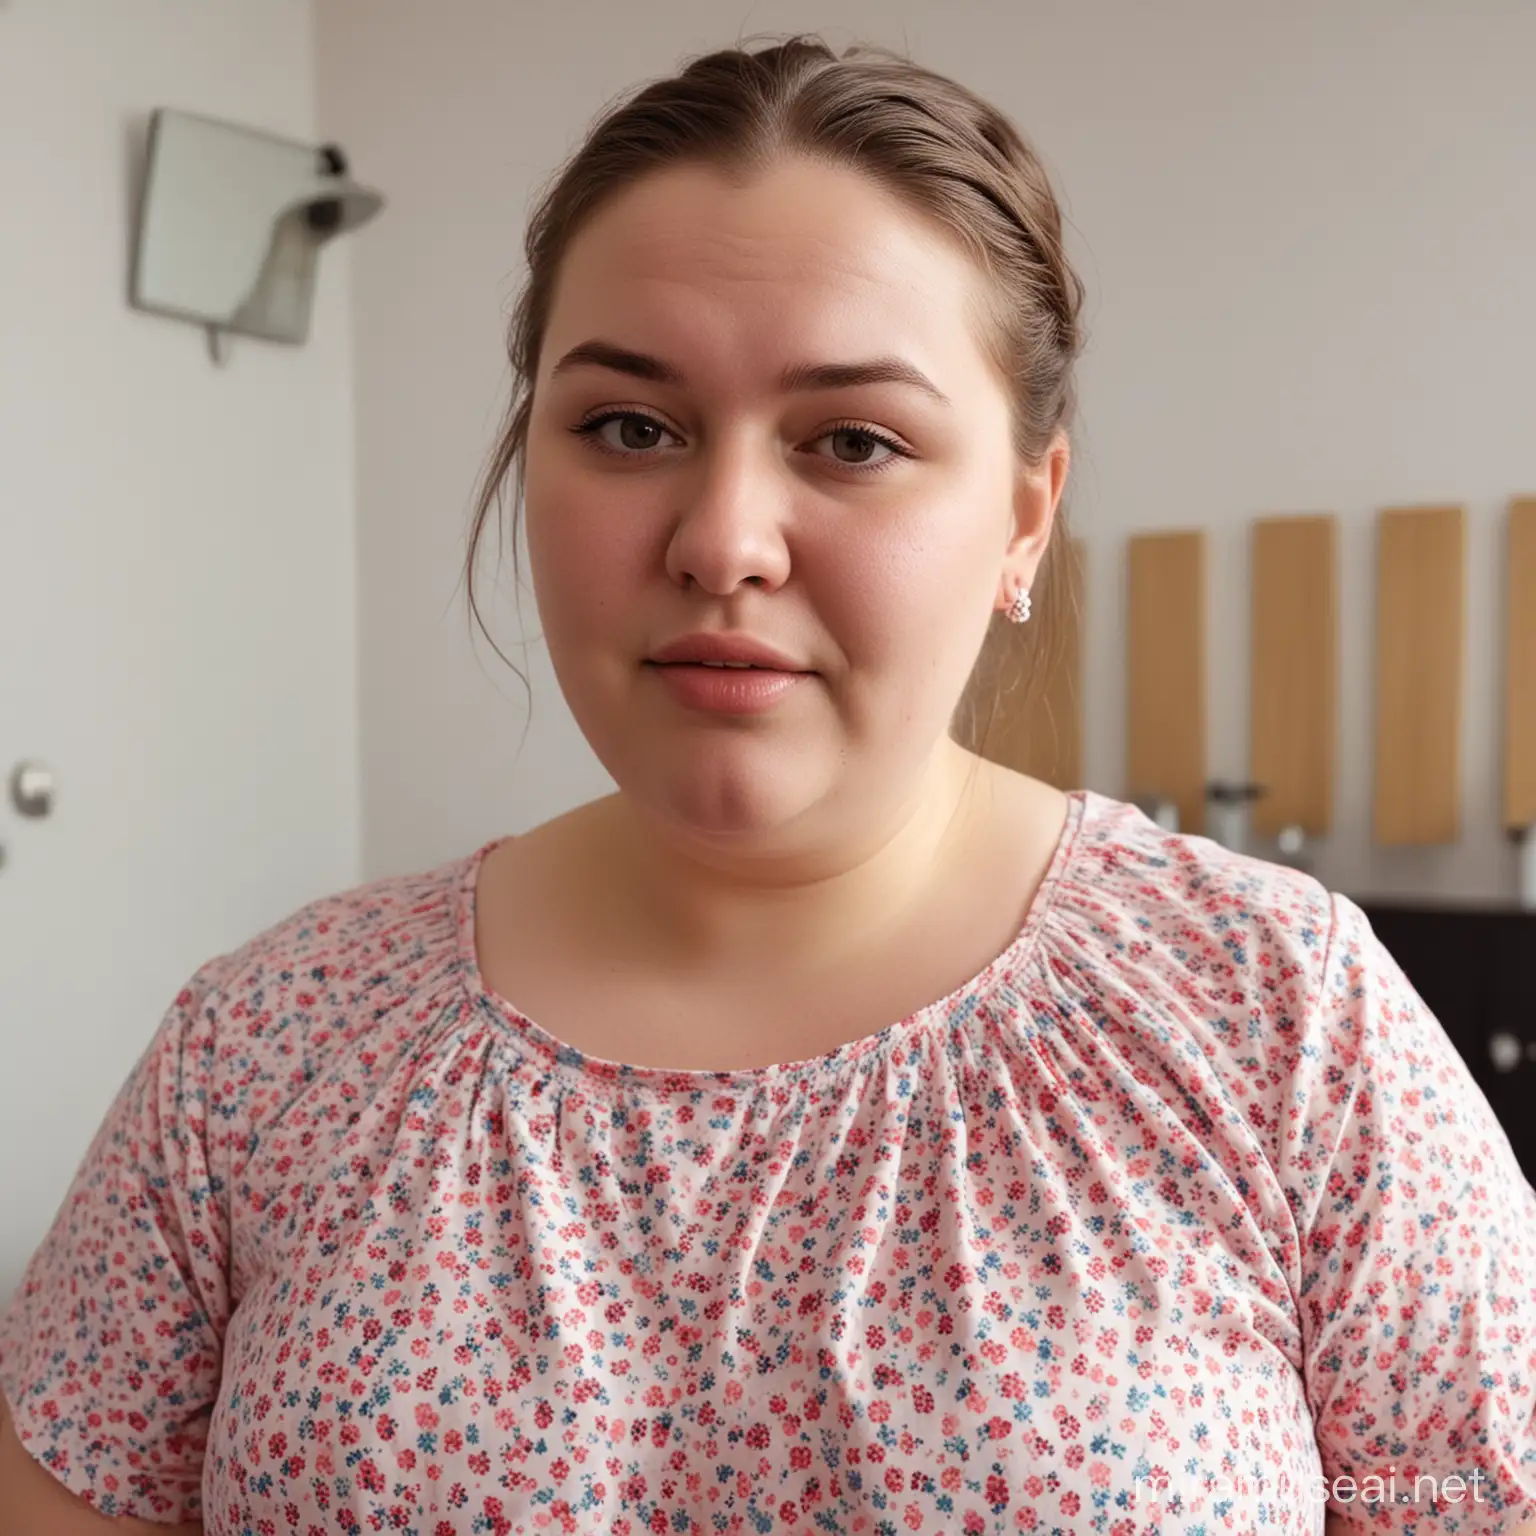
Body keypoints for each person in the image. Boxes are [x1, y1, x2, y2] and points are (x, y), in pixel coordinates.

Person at [2, 33, 1533, 1536]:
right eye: (629, 426)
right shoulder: (259, 1057)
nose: (723, 535)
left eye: (853, 440)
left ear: (1023, 514)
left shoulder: (1283, 1021)